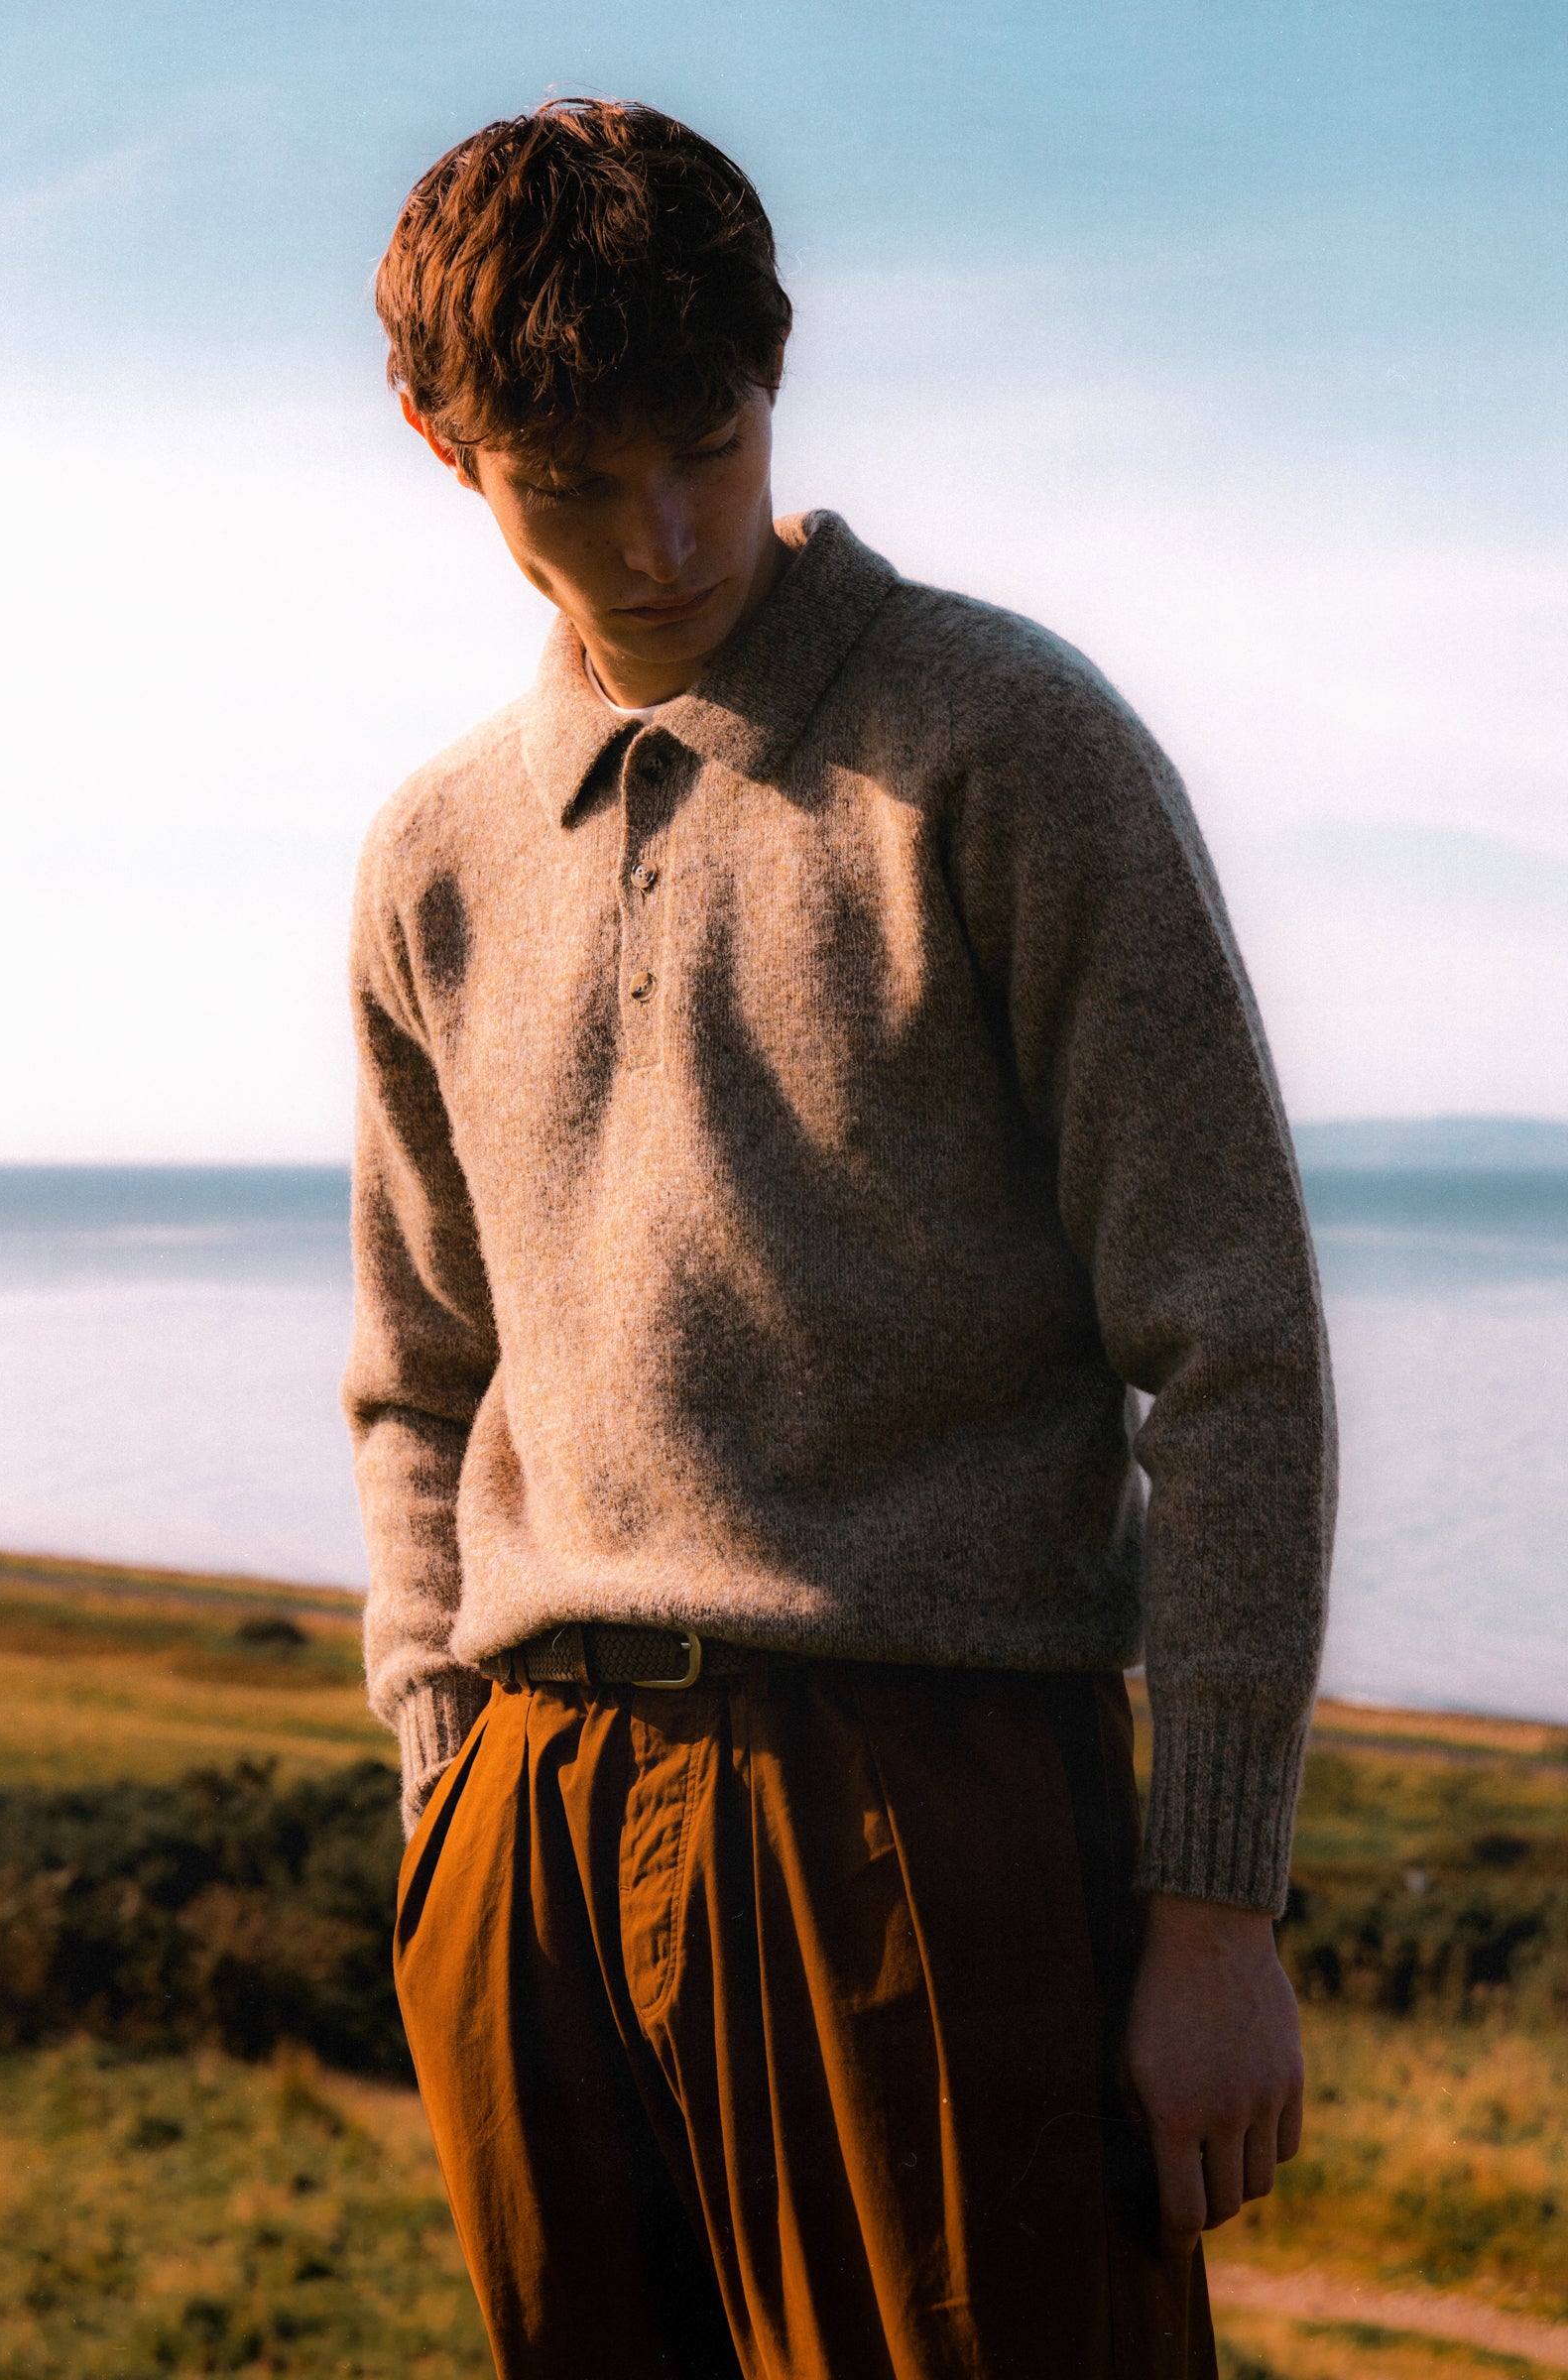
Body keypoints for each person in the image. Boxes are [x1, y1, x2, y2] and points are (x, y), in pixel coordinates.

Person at [344, 96, 1335, 2380]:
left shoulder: (1006, 743)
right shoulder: (428, 859)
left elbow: (1234, 1344)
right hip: (529, 1837)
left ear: (771, 372)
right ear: (439, 444)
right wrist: (438, 1795)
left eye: (701, 443)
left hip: (928, 1816)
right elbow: (417, 1368)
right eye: (566, 483)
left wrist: (1209, 1900)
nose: (660, 533)